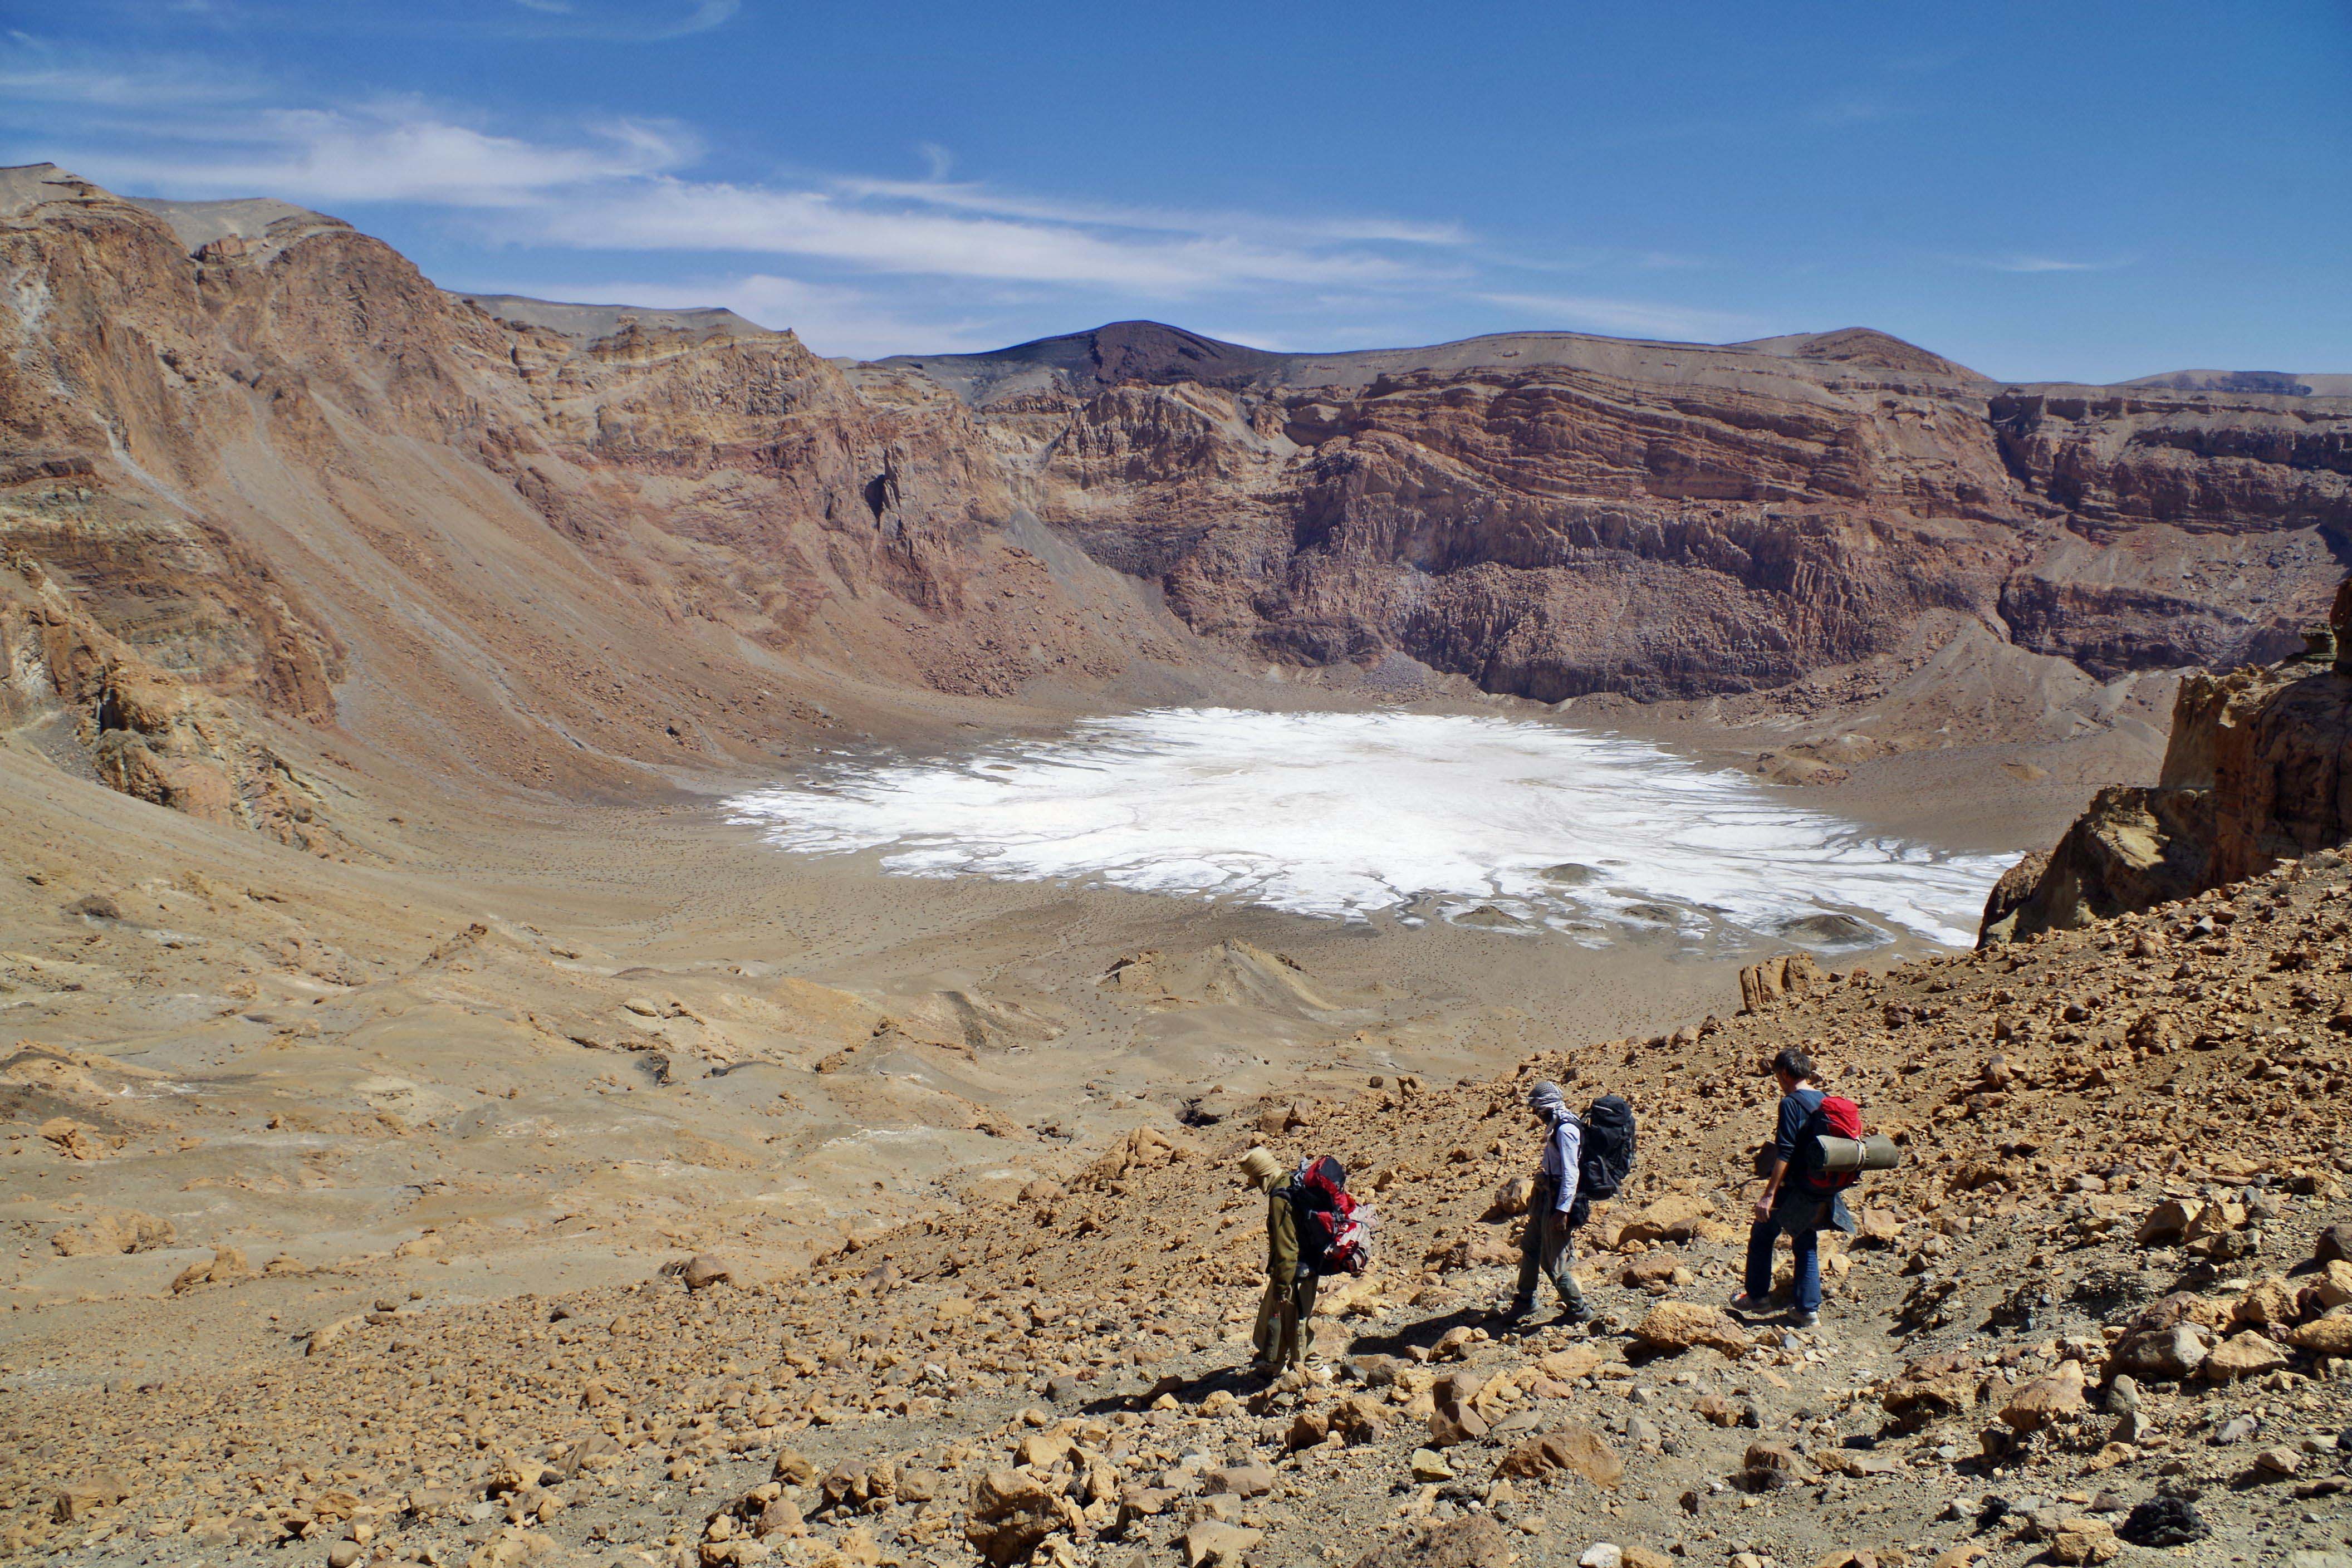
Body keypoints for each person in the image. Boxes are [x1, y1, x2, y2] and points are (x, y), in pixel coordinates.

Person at [1731, 1046, 1849, 1328]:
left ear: (1784, 1073)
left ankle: (1758, 1297)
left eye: (1776, 1075)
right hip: (1820, 1185)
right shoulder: (1824, 1100)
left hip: (1793, 1187)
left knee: (1762, 1232)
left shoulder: (1791, 1103)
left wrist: (1769, 1195)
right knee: (1806, 1242)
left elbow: (1785, 1151)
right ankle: (1807, 1311)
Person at [1503, 1081, 1592, 1326]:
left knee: (1551, 1258)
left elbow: (1571, 1173)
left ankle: (1578, 1308)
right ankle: (1525, 1300)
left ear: (1547, 1107)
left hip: (1559, 1201)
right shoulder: (1558, 1125)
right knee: (1531, 1245)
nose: (1537, 1115)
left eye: (1538, 1110)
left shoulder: (1566, 1130)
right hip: (1547, 1196)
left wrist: (1562, 1211)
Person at [1240, 1146, 1316, 1374]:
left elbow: (1286, 1247)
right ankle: (1278, 1362)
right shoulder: (1292, 1182)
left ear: (1260, 1175)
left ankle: (1311, 1369)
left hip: (1294, 1271)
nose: (1252, 1183)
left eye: (1253, 1177)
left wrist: (1282, 1286)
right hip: (1308, 1264)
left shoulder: (1279, 1197)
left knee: (1294, 1321)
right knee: (1289, 1320)